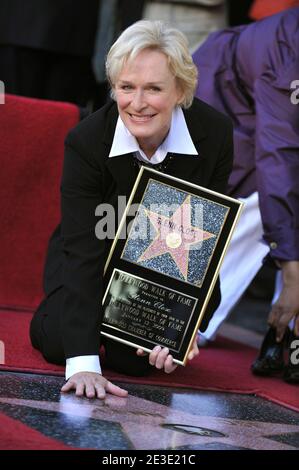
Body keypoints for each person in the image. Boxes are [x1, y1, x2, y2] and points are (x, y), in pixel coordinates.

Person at [30, 20, 234, 399]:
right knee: (62, 341)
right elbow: (82, 249)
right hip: (91, 252)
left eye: (154, 89)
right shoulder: (86, 141)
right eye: (126, 87)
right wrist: (84, 362)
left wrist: (182, 329)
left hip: (161, 266)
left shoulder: (215, 133)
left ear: (181, 90)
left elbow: (203, 238)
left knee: (136, 358)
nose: (137, 103)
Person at [192, 8, 299, 382]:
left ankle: (286, 340)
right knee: (263, 193)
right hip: (223, 105)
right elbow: (278, 159)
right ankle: (192, 313)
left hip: (267, 123)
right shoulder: (290, 51)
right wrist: (291, 269)